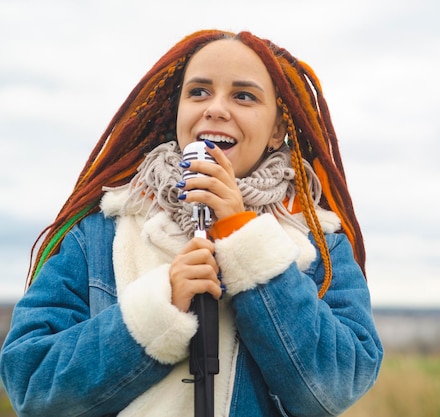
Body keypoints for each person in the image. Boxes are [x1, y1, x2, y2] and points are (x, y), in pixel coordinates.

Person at [0, 29, 383, 417]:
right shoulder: (99, 232)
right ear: (178, 112)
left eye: (243, 96)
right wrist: (157, 311)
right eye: (198, 92)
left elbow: (334, 388)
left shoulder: (320, 244)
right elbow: (31, 385)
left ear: (277, 131)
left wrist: (242, 236)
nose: (215, 108)